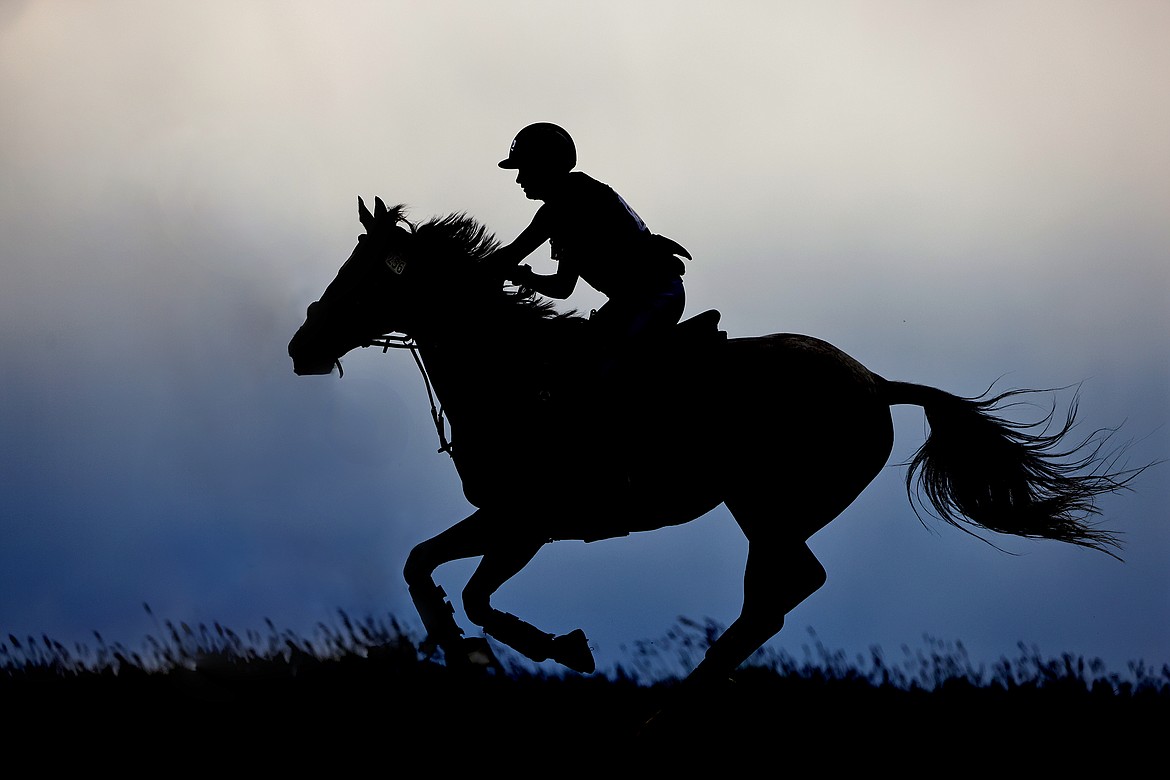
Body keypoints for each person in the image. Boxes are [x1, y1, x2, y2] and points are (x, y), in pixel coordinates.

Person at [485, 123, 691, 378]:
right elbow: (562, 286)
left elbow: (514, 256)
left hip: (656, 297)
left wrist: (484, 272)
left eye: (524, 169)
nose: (519, 179)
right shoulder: (565, 203)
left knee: (601, 369)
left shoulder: (570, 201)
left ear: (544, 165)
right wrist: (521, 276)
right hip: (637, 300)